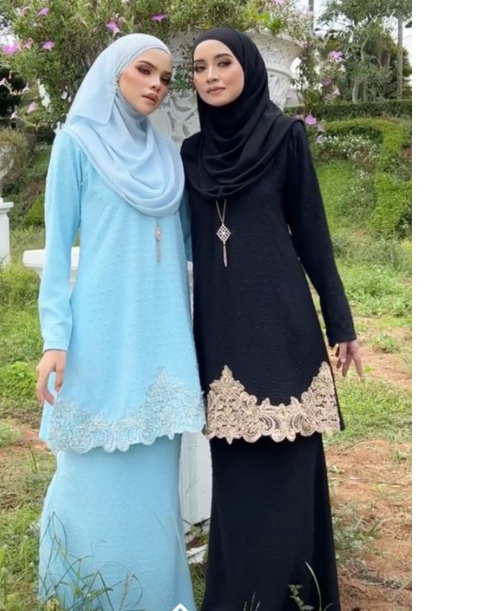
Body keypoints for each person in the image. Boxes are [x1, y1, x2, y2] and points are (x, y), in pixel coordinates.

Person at [180, 28, 364, 611]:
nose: (210, 76)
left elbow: (313, 235)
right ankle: (241, 596)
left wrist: (341, 324)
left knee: (289, 462)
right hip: (222, 329)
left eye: (223, 63)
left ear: (250, 68)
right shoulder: (190, 154)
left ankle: (296, 595)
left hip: (283, 326)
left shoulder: (285, 137)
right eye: (200, 67)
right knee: (236, 469)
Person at [34, 33, 206, 611]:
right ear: (114, 73)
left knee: (153, 476)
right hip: (100, 335)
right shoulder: (76, 144)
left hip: (162, 335)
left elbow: (190, 245)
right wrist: (55, 340)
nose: (157, 85)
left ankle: (155, 595)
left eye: (165, 78)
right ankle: (79, 593)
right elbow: (56, 251)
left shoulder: (168, 155)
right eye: (145, 71)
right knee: (89, 471)